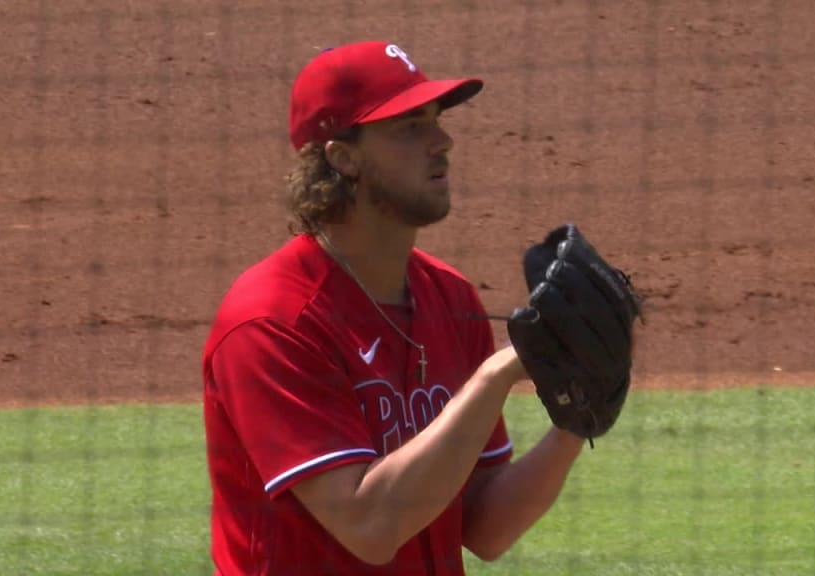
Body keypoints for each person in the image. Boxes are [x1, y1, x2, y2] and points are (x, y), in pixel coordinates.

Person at [202, 40, 586, 576]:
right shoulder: (273, 321)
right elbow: (369, 527)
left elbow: (484, 526)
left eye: (436, 120)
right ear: (343, 157)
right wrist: (500, 372)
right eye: (409, 126)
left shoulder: (449, 299)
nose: (442, 141)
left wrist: (574, 424)